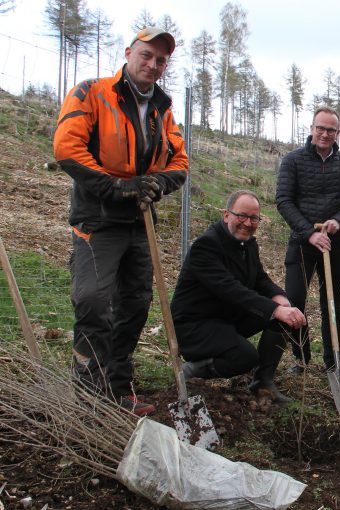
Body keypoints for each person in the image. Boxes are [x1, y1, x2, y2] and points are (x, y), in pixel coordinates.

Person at [53, 27, 188, 416]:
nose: (153, 64)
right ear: (129, 53)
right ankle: (88, 393)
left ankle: (117, 385)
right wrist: (115, 186)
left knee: (136, 303)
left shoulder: (162, 109)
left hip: (139, 222)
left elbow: (179, 161)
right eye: (146, 55)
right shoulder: (92, 93)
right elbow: (67, 148)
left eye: (161, 60)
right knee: (93, 301)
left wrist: (157, 183)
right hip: (97, 220)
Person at [171, 191, 306, 403]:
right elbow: (231, 290)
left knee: (283, 319)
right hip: (195, 325)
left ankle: (263, 382)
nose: (248, 223)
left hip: (226, 316)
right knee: (245, 357)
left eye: (254, 218)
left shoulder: (248, 244)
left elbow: (260, 278)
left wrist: (280, 298)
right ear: (226, 215)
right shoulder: (206, 246)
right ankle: (192, 369)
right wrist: (274, 309)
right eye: (241, 216)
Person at [275, 106, 340, 373]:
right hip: (302, 242)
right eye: (320, 128)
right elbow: (284, 201)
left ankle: (332, 359)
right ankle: (301, 358)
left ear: (337, 133)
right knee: (295, 300)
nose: (325, 134)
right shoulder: (293, 160)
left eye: (331, 130)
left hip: (334, 244)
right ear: (312, 129)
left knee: (331, 303)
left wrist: (338, 220)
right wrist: (309, 233)